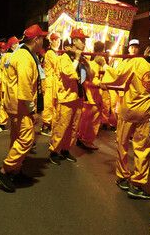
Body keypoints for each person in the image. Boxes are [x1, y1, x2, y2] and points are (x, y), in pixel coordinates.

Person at [99, 38, 150, 200]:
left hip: (129, 109)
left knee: (123, 144)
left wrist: (104, 67)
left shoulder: (136, 63)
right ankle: (137, 184)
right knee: (142, 148)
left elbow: (116, 75)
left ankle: (123, 176)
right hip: (146, 111)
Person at [0, 24, 47, 192]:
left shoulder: (21, 53)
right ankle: (5, 170)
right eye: (43, 39)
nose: (44, 42)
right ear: (37, 39)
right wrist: (33, 111)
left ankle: (15, 172)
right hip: (21, 106)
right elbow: (25, 88)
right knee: (26, 139)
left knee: (17, 138)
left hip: (15, 104)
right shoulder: (25, 57)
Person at [48, 29, 91, 165]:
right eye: (82, 40)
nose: (84, 43)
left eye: (84, 40)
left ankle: (66, 149)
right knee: (62, 125)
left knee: (73, 127)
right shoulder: (64, 58)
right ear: (74, 41)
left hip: (78, 97)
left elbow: (88, 75)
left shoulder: (81, 58)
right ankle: (54, 150)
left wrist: (83, 61)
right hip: (66, 97)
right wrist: (77, 58)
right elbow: (69, 73)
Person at [76, 41, 105, 150]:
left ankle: (81, 137)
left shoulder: (89, 63)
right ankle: (86, 140)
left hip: (88, 96)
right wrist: (99, 83)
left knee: (85, 119)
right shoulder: (94, 64)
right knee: (92, 120)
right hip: (92, 96)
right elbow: (91, 79)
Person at [0, 38, 19, 133]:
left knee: (4, 104)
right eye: (17, 43)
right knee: (11, 104)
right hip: (12, 85)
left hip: (6, 84)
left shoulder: (6, 56)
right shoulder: (13, 56)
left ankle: (2, 124)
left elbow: (2, 69)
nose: (18, 44)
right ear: (13, 45)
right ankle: (11, 125)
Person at [40, 32, 61, 137]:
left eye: (59, 40)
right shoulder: (50, 53)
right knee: (48, 104)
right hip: (49, 81)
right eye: (56, 40)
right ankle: (45, 126)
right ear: (52, 41)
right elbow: (58, 65)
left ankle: (49, 125)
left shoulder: (54, 53)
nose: (58, 42)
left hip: (53, 81)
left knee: (53, 104)